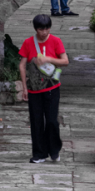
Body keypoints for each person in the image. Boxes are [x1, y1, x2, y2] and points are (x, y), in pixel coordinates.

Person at [18, 13, 67, 164]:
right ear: (36, 29)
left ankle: (54, 150)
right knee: (36, 121)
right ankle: (39, 153)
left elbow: (65, 61)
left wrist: (48, 59)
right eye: (41, 29)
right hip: (34, 89)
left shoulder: (56, 41)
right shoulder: (28, 43)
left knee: (52, 120)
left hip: (52, 87)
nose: (44, 32)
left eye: (46, 28)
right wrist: (24, 88)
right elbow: (22, 65)